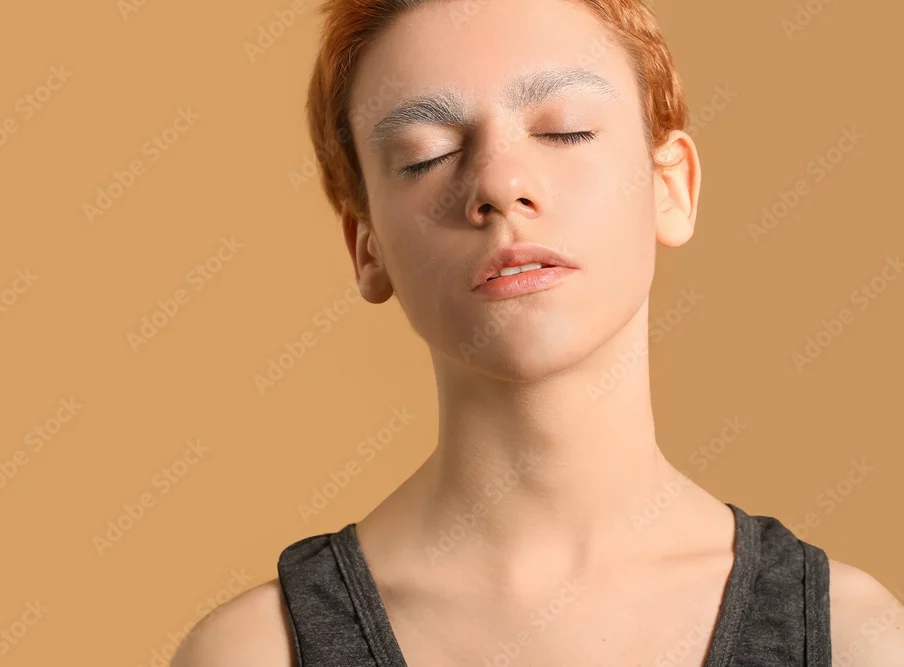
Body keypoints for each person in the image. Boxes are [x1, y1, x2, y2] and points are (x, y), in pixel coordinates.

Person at [173, 0, 904, 665]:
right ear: (367, 248)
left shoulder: (853, 639)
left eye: (565, 129)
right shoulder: (255, 653)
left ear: (671, 186)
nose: (499, 184)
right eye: (426, 154)